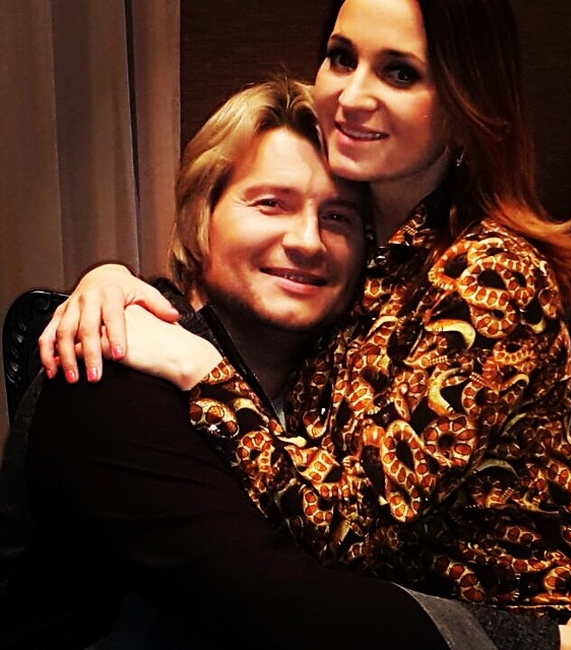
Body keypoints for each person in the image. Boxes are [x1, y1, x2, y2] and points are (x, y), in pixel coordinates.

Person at [37, 0, 571, 648]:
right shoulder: (373, 271)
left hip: (570, 625)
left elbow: (347, 531)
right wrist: (112, 281)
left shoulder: (486, 271)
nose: (354, 96)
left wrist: (194, 364)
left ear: (465, 100)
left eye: (400, 72)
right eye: (341, 57)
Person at [1, 76, 474, 650]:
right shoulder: (112, 368)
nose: (307, 241)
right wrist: (543, 640)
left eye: (338, 217)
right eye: (271, 203)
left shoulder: (343, 383)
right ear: (200, 218)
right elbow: (278, 607)